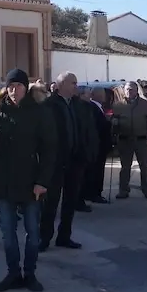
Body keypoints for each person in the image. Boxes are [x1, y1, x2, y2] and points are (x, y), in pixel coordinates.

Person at [0, 69, 57, 292]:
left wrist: (43, 181)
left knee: (32, 232)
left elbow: (50, 149)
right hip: (5, 180)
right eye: (10, 86)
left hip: (31, 179)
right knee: (8, 234)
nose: (14, 90)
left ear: (25, 88)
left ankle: (29, 273)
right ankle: (13, 273)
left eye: (18, 86)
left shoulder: (39, 112)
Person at [40, 72, 97, 250]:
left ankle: (64, 236)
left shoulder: (79, 105)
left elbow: (87, 130)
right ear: (61, 84)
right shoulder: (48, 105)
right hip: (56, 162)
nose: (76, 86)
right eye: (73, 83)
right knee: (51, 202)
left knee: (70, 201)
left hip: (75, 160)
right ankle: (44, 238)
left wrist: (87, 153)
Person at [112, 80, 147, 199]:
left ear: (136, 91)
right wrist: (113, 131)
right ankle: (123, 190)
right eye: (126, 89)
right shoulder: (118, 105)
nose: (128, 92)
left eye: (131, 89)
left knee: (144, 166)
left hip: (141, 139)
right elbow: (113, 122)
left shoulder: (144, 104)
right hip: (125, 139)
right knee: (125, 167)